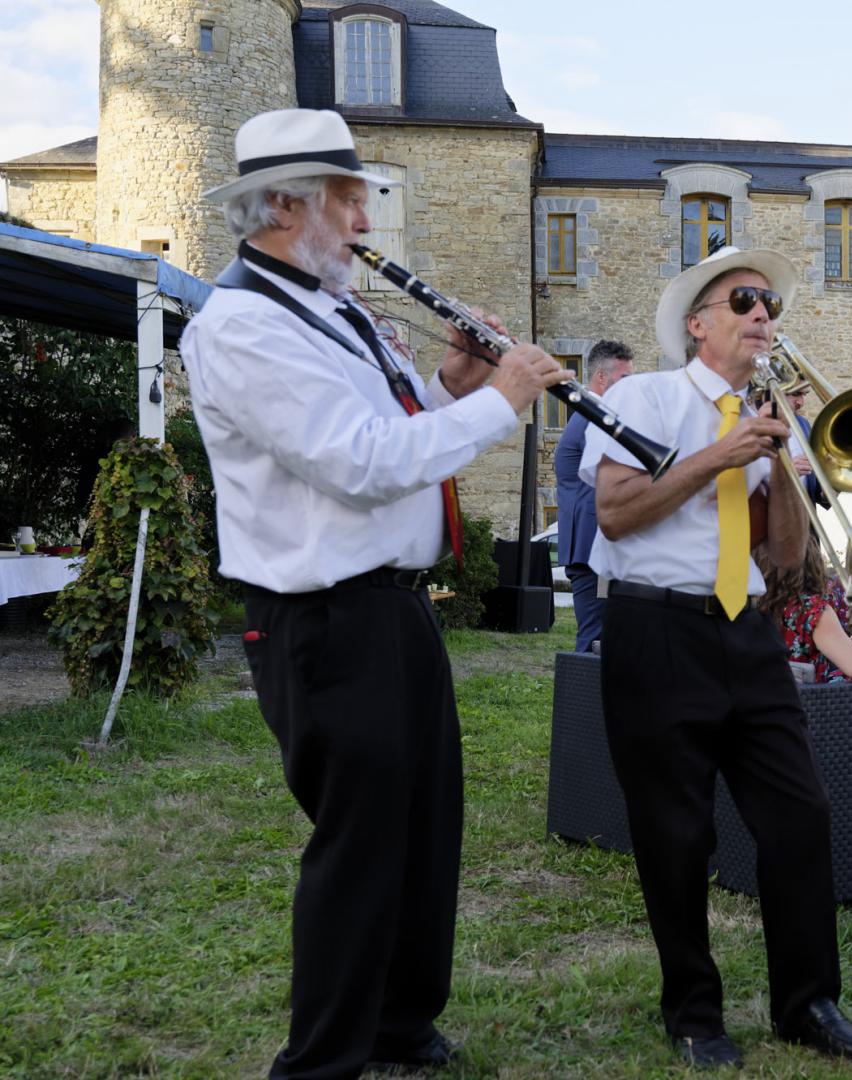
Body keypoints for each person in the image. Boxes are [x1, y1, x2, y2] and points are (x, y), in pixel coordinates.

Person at [179, 108, 567, 1080]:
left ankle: (400, 1023)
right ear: (283, 207)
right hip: (322, 619)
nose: (363, 218)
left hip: (391, 606)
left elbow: (400, 429)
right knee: (358, 848)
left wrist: (451, 383)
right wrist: (503, 400)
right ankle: (321, 1062)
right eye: (347, 198)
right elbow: (358, 464)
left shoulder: (334, 307)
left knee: (426, 824)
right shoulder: (240, 325)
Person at [579, 245, 852, 1069]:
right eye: (744, 301)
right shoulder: (646, 395)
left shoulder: (761, 415)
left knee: (800, 813)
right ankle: (692, 1013)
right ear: (697, 323)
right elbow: (615, 513)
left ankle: (809, 1003)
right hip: (655, 629)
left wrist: (780, 459)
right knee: (675, 833)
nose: (763, 315)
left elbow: (785, 558)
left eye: (769, 306)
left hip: (745, 627)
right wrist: (723, 452)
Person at [554, 339, 634, 652]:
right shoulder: (592, 417)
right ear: (601, 378)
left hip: (592, 543)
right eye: (623, 380)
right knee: (594, 640)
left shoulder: (591, 414)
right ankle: (584, 701)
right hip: (590, 546)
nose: (630, 389)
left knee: (604, 639)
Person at [758, 537, 852, 683]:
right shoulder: (810, 610)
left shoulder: (755, 607)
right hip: (811, 701)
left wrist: (849, 645)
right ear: (812, 561)